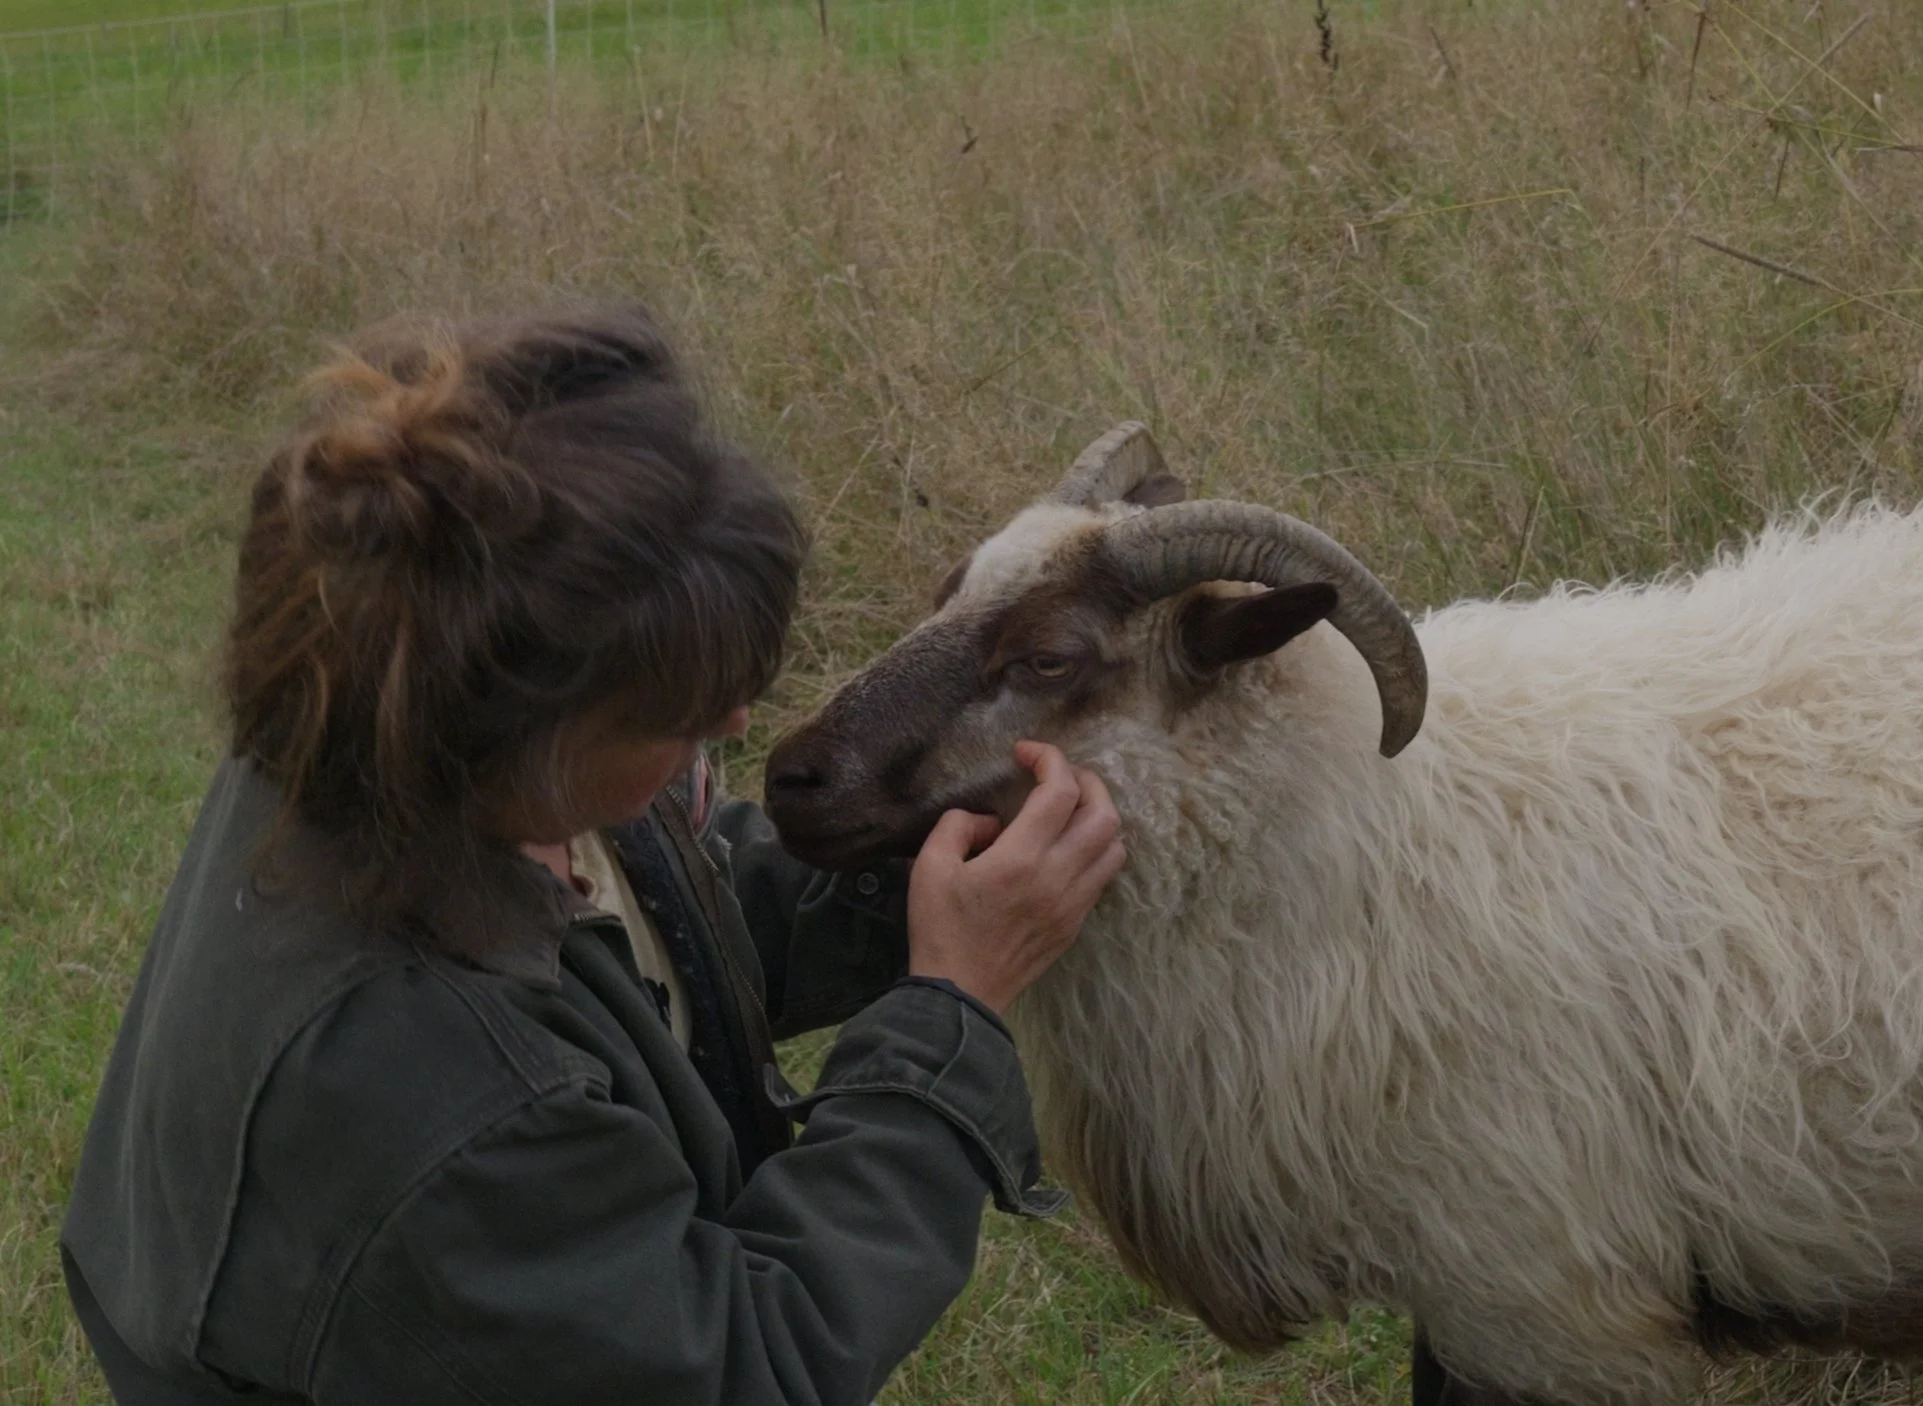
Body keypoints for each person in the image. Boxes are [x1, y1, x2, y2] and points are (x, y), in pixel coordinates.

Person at [59, 306, 1126, 1404]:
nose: (734, 725)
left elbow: (657, 938)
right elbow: (746, 1363)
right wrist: (950, 1004)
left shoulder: (382, 706)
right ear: (531, 731)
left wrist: (911, 880)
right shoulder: (444, 1103)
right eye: (678, 716)